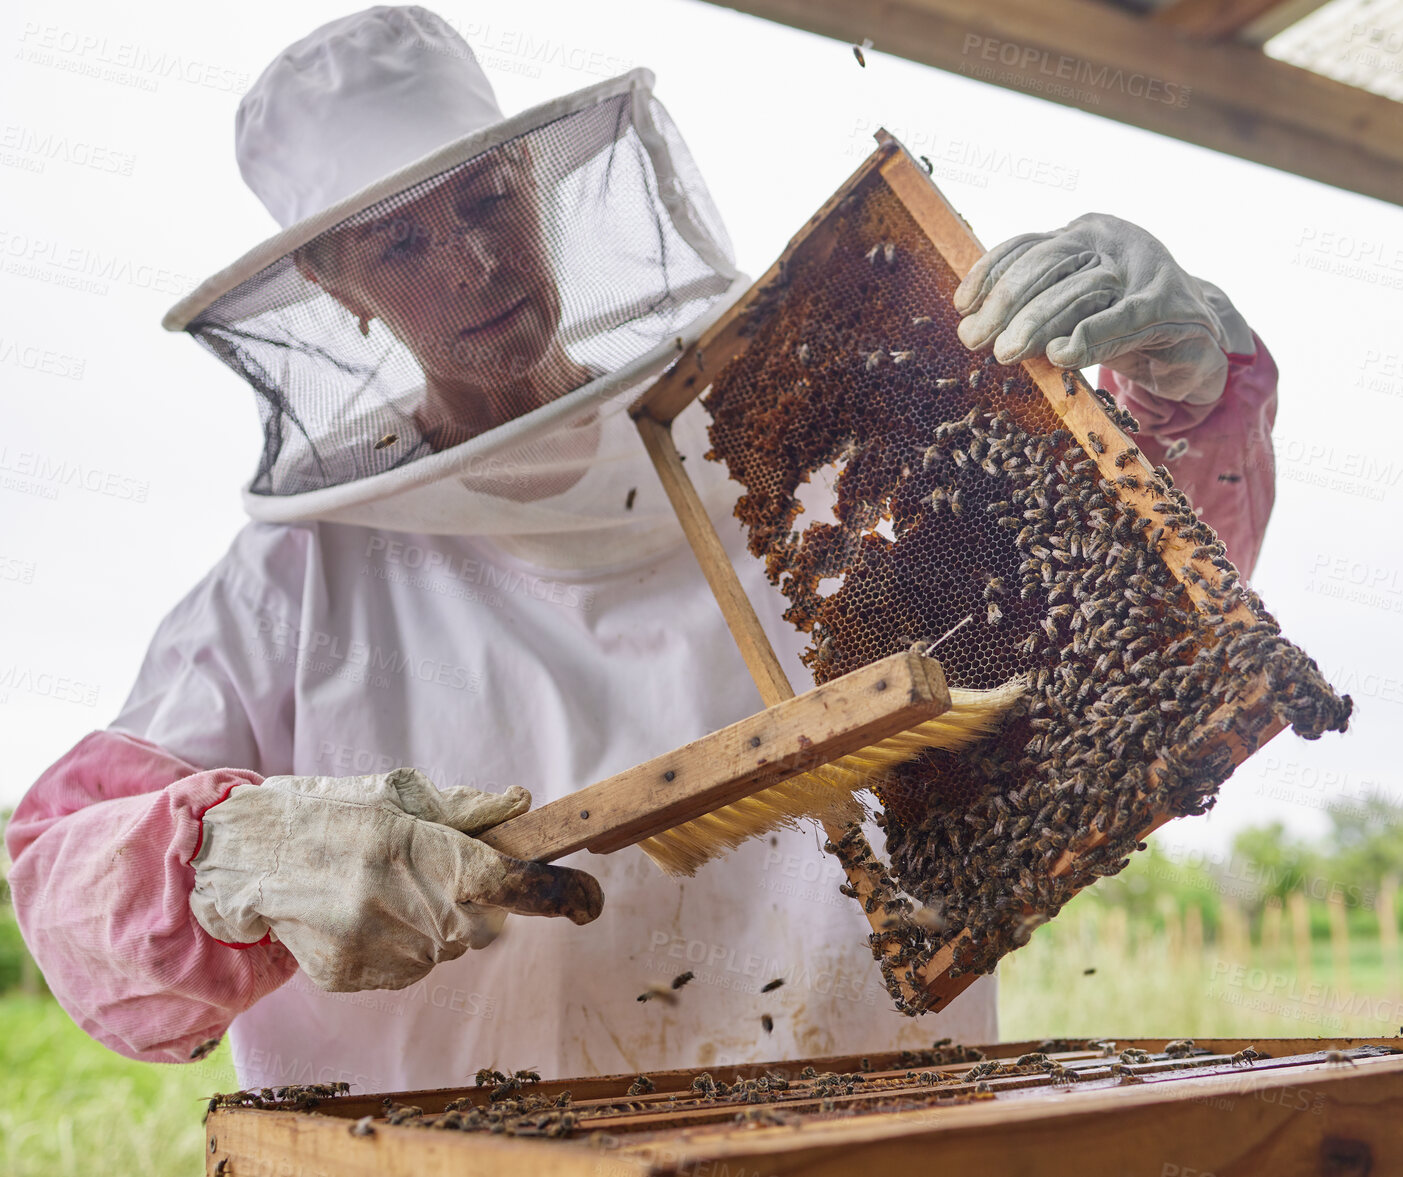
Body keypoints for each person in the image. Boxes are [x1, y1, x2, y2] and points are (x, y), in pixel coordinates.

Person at [4, 6, 1278, 1094]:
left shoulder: (780, 441)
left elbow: (1119, 602)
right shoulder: (289, 588)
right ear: (337, 286)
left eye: (490, 197)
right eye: (401, 240)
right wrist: (228, 859)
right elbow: (65, 885)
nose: (477, 258)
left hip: (866, 1131)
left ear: (540, 183)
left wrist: (1184, 377)